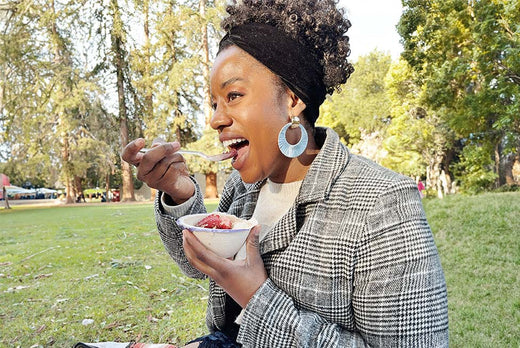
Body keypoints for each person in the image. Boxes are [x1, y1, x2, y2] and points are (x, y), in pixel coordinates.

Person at [121, 1, 449, 347]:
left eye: (233, 95)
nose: (216, 120)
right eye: (215, 103)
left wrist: (256, 296)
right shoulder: (243, 188)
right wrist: (179, 193)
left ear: (293, 100)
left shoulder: (384, 204)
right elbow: (200, 265)